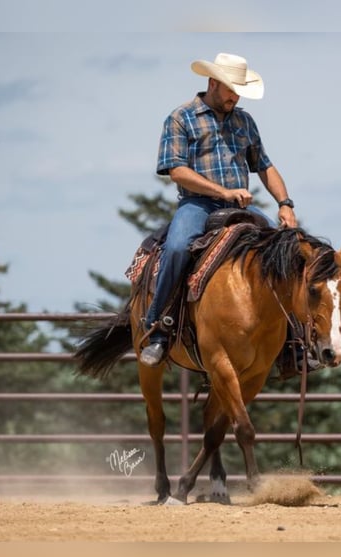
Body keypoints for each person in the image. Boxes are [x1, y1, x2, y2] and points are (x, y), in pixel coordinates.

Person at [140, 52, 298, 367]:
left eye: (239, 91)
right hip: (197, 204)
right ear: (213, 82)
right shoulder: (181, 118)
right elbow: (176, 171)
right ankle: (158, 329)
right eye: (231, 90)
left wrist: (285, 204)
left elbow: (264, 166)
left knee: (288, 251)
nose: (235, 97)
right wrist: (222, 191)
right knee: (176, 248)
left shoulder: (244, 121)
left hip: (240, 206)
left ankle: (293, 337)